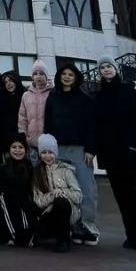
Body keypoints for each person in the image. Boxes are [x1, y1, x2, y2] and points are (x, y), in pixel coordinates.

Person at [93, 57, 136, 251]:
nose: (106, 70)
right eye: (102, 68)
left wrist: (135, 142)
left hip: (127, 150)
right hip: (110, 154)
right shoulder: (100, 95)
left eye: (109, 66)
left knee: (132, 194)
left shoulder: (129, 92)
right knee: (120, 195)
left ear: (115, 69)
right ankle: (132, 236)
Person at [43, 64, 99, 244]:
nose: (67, 77)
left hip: (79, 150)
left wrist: (91, 149)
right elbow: (48, 124)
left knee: (85, 189)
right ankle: (70, 227)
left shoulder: (85, 99)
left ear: (76, 78)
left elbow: (91, 126)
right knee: (61, 189)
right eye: (64, 74)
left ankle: (88, 227)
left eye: (70, 74)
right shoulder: (53, 97)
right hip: (58, 150)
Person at [32, 134, 82, 251]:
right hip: (48, 213)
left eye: (51, 152)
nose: (47, 156)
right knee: (57, 201)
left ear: (56, 153)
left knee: (61, 202)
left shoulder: (66, 171)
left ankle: (63, 241)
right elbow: (38, 201)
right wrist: (53, 195)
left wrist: (63, 192)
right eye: (44, 152)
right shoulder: (37, 173)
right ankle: (48, 234)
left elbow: (78, 196)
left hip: (68, 212)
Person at [0, 134, 37, 247]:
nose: (17, 150)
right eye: (14, 147)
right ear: (9, 149)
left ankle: (24, 234)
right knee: (5, 199)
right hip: (8, 203)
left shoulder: (30, 167)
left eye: (20, 147)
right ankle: (11, 235)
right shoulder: (3, 168)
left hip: (25, 203)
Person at [18, 61, 52, 156]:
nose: (38, 76)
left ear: (46, 76)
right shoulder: (26, 95)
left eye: (41, 73)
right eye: (35, 74)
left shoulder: (52, 93)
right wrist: (23, 137)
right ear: (32, 77)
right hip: (31, 142)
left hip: (49, 142)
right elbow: (22, 118)